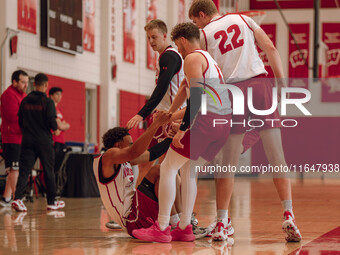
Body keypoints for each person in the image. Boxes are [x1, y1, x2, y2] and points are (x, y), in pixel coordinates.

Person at [188, 0, 301, 242]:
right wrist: (281, 83)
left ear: (201, 15)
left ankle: (221, 222)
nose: (196, 25)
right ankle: (289, 213)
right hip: (260, 86)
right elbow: (270, 47)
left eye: (195, 20)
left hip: (232, 91)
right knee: (276, 156)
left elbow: (207, 72)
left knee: (227, 163)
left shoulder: (204, 35)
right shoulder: (244, 19)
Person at [133, 22, 232, 243]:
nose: (177, 49)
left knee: (168, 167)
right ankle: (185, 227)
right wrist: (169, 114)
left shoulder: (192, 58)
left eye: (178, 45)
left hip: (207, 122)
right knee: (188, 171)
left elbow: (195, 97)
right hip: (223, 125)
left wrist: (183, 128)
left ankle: (162, 227)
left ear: (183, 41)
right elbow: (184, 90)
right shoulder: (209, 60)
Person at [93, 111, 174, 237]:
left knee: (170, 173)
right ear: (117, 145)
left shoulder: (125, 160)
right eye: (130, 143)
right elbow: (135, 151)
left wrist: (171, 137)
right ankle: (172, 224)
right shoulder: (108, 157)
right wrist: (156, 124)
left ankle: (177, 223)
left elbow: (152, 153)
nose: (133, 145)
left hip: (136, 214)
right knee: (158, 170)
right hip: (132, 220)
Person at [126, 19, 185, 183]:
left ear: (164, 36)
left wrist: (141, 114)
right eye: (148, 38)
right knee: (161, 164)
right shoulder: (165, 57)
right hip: (165, 116)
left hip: (169, 117)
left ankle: (170, 207)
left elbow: (160, 90)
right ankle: (143, 203)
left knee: (164, 165)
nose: (151, 41)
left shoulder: (170, 57)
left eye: (154, 37)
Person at [12, 73, 65, 212]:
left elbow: (20, 121)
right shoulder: (47, 102)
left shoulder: (25, 101)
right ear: (46, 85)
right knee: (49, 170)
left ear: (34, 84)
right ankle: (52, 202)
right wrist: (55, 129)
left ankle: (17, 199)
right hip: (44, 142)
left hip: (27, 140)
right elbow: (53, 123)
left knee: (24, 170)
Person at [0, 70, 28, 206]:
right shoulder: (8, 95)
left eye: (27, 82)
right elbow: (13, 116)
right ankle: (17, 199)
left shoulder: (23, 96)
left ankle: (6, 198)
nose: (25, 85)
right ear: (15, 82)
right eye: (23, 82)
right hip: (11, 137)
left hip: (21, 137)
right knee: (14, 169)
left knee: (15, 169)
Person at [48, 87, 70, 179]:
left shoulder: (58, 109)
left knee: (58, 167)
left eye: (60, 94)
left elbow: (67, 125)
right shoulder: (51, 108)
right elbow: (61, 125)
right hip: (53, 142)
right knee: (52, 167)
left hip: (61, 141)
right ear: (51, 95)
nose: (59, 96)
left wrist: (62, 126)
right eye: (57, 94)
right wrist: (62, 126)